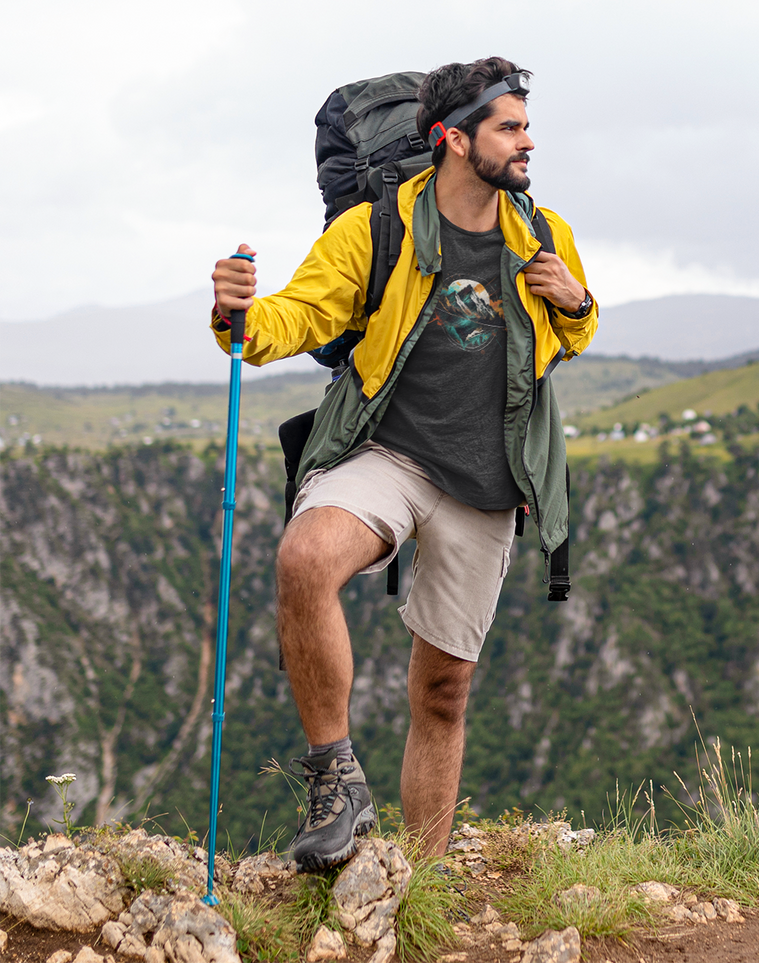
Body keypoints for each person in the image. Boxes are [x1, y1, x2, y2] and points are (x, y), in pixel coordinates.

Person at [209, 57, 597, 871]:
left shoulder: (543, 232)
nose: (529, 140)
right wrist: (236, 312)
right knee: (305, 555)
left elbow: (563, 337)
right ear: (454, 140)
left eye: (525, 123)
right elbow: (296, 315)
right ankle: (335, 779)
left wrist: (577, 305)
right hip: (386, 450)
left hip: (488, 481)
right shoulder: (375, 230)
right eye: (510, 126)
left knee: (443, 693)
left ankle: (418, 881)